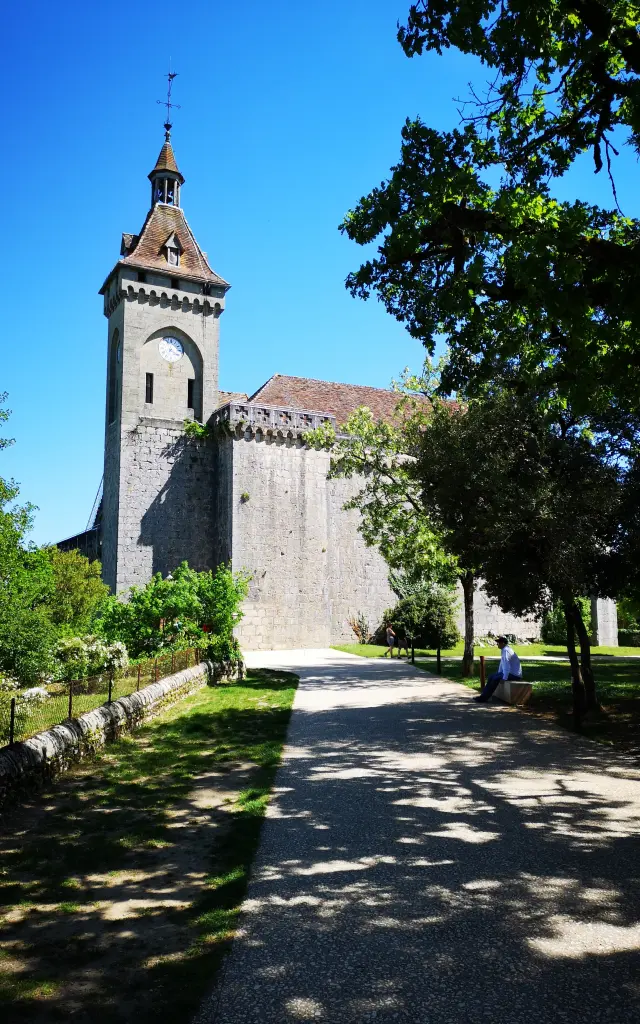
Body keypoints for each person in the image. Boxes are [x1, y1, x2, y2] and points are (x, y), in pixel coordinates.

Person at [474, 636, 523, 702]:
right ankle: (483, 696)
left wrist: (504, 678)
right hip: (511, 673)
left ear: (503, 643)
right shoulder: (505, 650)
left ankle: (484, 698)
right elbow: (502, 664)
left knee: (495, 679)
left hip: (514, 675)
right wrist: (498, 673)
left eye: (499, 643)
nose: (497, 644)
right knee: (491, 676)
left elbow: (506, 665)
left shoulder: (506, 651)